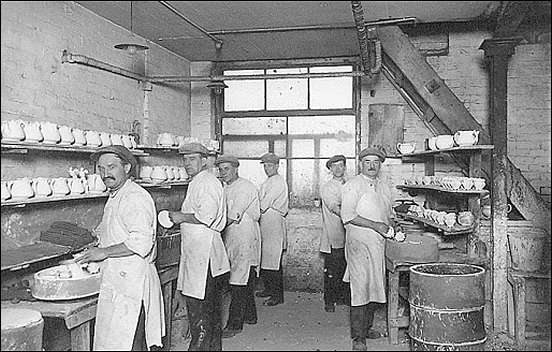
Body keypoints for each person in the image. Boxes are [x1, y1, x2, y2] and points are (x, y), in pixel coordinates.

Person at [76, 145, 165, 351]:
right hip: (119, 281)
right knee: (117, 342)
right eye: (101, 168)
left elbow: (141, 241)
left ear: (126, 167)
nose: (106, 173)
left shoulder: (134, 197)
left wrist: (104, 252)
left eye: (112, 167)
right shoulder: (117, 194)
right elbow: (115, 228)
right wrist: (96, 238)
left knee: (130, 342)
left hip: (132, 283)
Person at [168, 142, 230, 351]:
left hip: (205, 258)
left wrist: (178, 216)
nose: (187, 163)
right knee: (207, 315)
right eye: (185, 159)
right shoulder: (197, 182)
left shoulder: (208, 182)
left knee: (201, 315)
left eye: (192, 159)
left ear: (204, 161)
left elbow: (206, 215)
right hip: (199, 256)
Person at [340, 146, 396, 351]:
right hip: (359, 243)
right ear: (361, 164)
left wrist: (391, 225)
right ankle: (358, 338)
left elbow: (387, 212)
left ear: (380, 164)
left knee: (374, 285)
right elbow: (348, 215)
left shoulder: (383, 185)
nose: (372, 166)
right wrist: (376, 225)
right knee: (360, 287)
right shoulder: (352, 185)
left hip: (378, 244)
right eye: (367, 162)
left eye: (376, 162)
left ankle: (367, 328)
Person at [215, 154, 261, 338]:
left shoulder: (244, 187)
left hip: (245, 235)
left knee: (238, 279)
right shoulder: (226, 188)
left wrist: (210, 225)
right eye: (220, 169)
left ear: (236, 169)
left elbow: (233, 215)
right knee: (243, 275)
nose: (223, 172)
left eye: (226, 169)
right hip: (233, 235)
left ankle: (235, 324)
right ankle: (250, 315)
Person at [256, 152, 289, 306]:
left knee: (273, 260)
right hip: (266, 222)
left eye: (270, 166)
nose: (267, 169)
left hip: (273, 221)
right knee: (266, 258)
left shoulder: (278, 182)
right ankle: (269, 289)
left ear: (277, 166)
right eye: (265, 166)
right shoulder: (268, 181)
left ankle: (277, 295)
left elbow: (263, 204)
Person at [319, 154, 350, 313]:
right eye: (334, 166)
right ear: (330, 169)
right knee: (332, 270)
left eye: (341, 165)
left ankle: (343, 298)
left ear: (345, 167)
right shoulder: (327, 187)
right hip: (334, 234)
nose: (338, 169)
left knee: (346, 268)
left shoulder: (350, 184)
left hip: (349, 235)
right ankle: (329, 301)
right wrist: (351, 216)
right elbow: (334, 206)